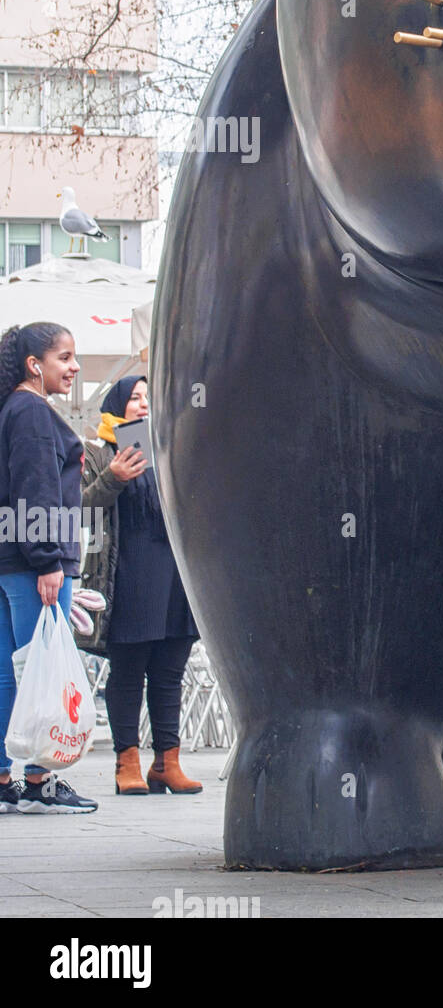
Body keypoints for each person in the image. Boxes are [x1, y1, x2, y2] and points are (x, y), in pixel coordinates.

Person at [82, 375, 201, 796]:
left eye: (148, 398)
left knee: (170, 671)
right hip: (128, 575)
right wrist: (113, 477)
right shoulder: (98, 451)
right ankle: (126, 761)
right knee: (129, 672)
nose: (143, 405)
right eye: (134, 398)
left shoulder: (167, 444)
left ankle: (167, 762)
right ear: (116, 403)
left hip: (175, 574)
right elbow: (81, 510)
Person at [0, 322, 97, 813]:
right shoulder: (34, 412)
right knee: (41, 669)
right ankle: (39, 780)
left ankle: (3, 781)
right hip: (32, 561)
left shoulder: (10, 410)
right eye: (65, 357)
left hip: (7, 559)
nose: (74, 367)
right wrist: (48, 560)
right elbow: (36, 489)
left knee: (6, 671)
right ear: (34, 365)